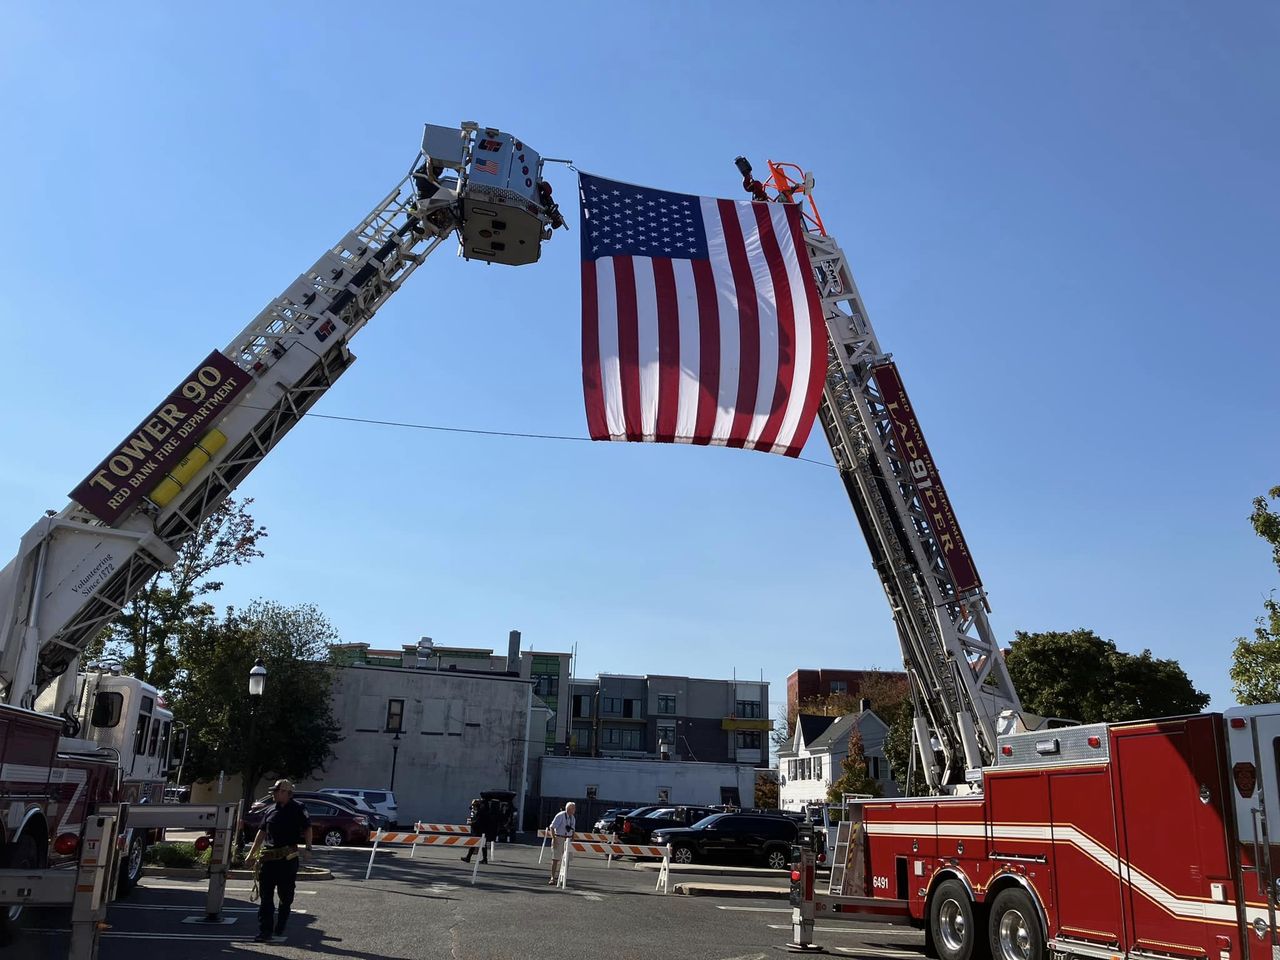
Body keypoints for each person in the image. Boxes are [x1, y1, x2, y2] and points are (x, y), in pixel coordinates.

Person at [245, 779, 311, 943]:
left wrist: (308, 848)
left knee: (286, 897)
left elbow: (308, 828)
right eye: (274, 791)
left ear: (287, 793)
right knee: (266, 898)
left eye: (277, 791)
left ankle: (281, 923)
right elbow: (260, 835)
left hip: (287, 861)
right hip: (268, 861)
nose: (273, 793)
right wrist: (251, 855)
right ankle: (265, 931)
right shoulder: (270, 810)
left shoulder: (299, 809)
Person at [546, 801, 576, 885]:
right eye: (573, 808)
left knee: (567, 860)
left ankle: (563, 878)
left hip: (568, 840)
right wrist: (554, 839)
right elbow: (552, 827)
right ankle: (552, 877)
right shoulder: (560, 815)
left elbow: (573, 830)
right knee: (555, 858)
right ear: (569, 809)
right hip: (559, 838)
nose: (574, 810)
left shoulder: (572, 818)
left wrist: (573, 840)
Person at [461, 798, 489, 865]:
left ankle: (468, 858)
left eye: (474, 805)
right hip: (479, 830)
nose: (473, 807)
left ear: (477, 806)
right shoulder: (476, 811)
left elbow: (478, 822)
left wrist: (471, 823)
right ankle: (484, 859)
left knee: (475, 843)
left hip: (479, 831)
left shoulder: (480, 812)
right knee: (482, 845)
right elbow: (470, 808)